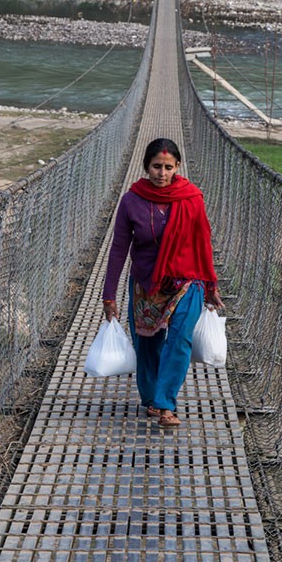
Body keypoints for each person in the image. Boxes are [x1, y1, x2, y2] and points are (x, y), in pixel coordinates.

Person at [102, 138, 223, 428]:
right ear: (146, 167)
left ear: (178, 167)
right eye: (157, 166)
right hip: (146, 281)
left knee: (180, 340)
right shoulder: (131, 200)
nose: (162, 173)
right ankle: (152, 398)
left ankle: (165, 403)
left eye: (168, 167)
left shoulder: (191, 198)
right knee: (147, 343)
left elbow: (203, 243)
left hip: (187, 280)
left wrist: (210, 285)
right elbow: (119, 247)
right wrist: (109, 296)